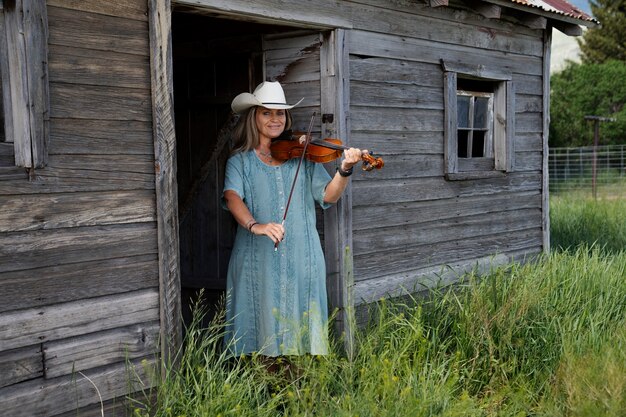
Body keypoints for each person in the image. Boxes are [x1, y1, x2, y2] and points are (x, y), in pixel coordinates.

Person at [221, 81, 364, 357]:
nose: (275, 119)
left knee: (299, 338)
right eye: (267, 113)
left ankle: (298, 394)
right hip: (256, 260)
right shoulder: (239, 161)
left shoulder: (304, 157)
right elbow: (232, 197)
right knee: (258, 332)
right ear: (254, 117)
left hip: (301, 256)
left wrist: (344, 169)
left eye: (280, 113)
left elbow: (328, 196)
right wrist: (256, 225)